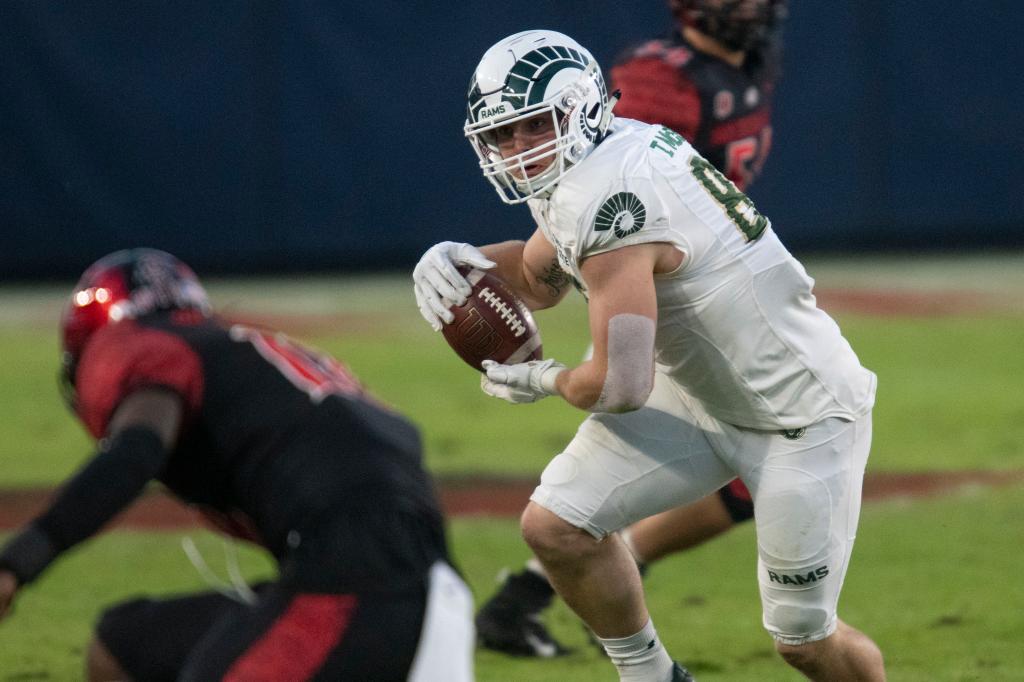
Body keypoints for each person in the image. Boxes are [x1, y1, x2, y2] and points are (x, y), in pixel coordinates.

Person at [413, 28, 884, 682]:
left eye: (532, 126)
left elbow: (622, 384)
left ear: (577, 110)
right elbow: (535, 276)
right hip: (698, 393)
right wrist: (456, 260)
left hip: (799, 416)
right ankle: (652, 676)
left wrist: (543, 376)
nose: (518, 150)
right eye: (502, 135)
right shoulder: (596, 161)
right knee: (557, 527)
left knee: (804, 641)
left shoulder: (613, 192)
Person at [473, 0, 786, 658]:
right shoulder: (662, 78)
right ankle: (572, 593)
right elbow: (598, 195)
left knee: (756, 467)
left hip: (696, 295)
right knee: (756, 463)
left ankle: (530, 599)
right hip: (643, 291)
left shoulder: (742, 68)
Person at [0, 248, 474, 682]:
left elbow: (135, 452)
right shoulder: (251, 358)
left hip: (361, 585)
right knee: (122, 646)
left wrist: (18, 562)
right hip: (424, 586)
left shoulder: (139, 345)